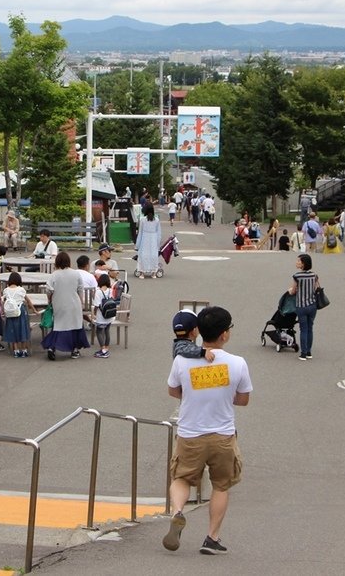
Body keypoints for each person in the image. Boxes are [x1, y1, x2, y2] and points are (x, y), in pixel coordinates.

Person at [163, 306, 252, 556]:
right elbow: (243, 400)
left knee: (181, 478)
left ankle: (178, 512)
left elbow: (173, 391)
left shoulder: (181, 361)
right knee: (221, 485)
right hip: (222, 435)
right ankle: (211, 538)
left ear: (199, 331)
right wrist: (223, 393)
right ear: (225, 334)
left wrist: (193, 391)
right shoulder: (237, 363)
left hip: (190, 434)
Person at [41, 251, 90, 360]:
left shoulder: (54, 275)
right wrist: (80, 303)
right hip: (74, 304)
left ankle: (52, 347)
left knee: (58, 326)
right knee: (75, 326)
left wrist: (50, 300)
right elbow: (80, 289)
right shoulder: (76, 274)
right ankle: (74, 350)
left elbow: (49, 290)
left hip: (59, 303)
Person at [288, 254, 320, 360]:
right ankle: (309, 352)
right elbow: (317, 288)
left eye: (298, 261)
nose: (296, 262)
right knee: (310, 328)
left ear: (303, 264)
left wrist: (290, 291)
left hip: (301, 306)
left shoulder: (297, 276)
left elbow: (293, 291)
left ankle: (303, 353)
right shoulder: (314, 275)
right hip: (312, 305)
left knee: (303, 329)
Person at [2, 271, 37, 358]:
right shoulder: (21, 290)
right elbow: (28, 301)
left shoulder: (6, 290)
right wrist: (34, 310)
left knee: (13, 330)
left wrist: (2, 311)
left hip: (10, 313)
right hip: (20, 312)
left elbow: (3, 301)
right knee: (23, 330)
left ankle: (16, 350)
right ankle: (24, 350)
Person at [135, 202, 161, 277]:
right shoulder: (156, 220)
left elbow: (140, 233)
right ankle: (153, 273)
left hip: (144, 239)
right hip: (154, 239)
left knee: (143, 255)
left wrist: (137, 245)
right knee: (153, 255)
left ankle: (142, 273)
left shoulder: (143, 220)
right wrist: (158, 244)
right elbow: (159, 233)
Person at [92, 274, 115, 358]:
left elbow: (96, 305)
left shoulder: (98, 291)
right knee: (107, 331)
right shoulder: (110, 290)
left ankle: (103, 350)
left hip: (101, 316)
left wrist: (94, 313)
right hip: (109, 315)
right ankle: (106, 348)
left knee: (99, 332)